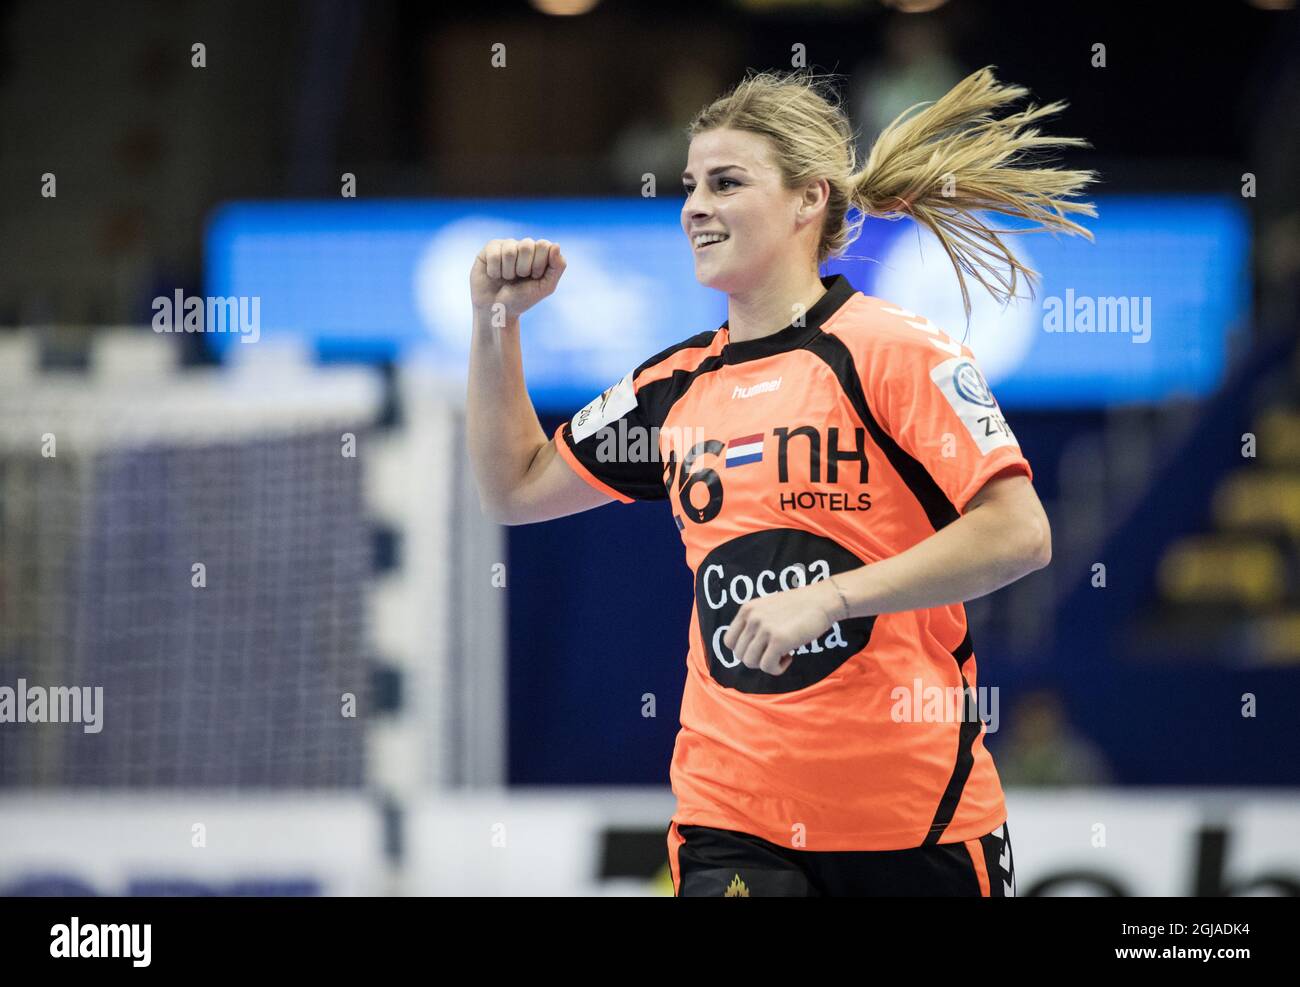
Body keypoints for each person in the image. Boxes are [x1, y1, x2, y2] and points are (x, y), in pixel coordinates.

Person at [466, 65, 1096, 896]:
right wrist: (495, 320)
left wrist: (833, 596)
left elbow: (1021, 533)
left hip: (917, 820)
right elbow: (514, 486)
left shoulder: (895, 350)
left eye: (727, 183)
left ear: (810, 199)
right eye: (690, 184)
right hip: (736, 818)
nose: (695, 205)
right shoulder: (675, 385)